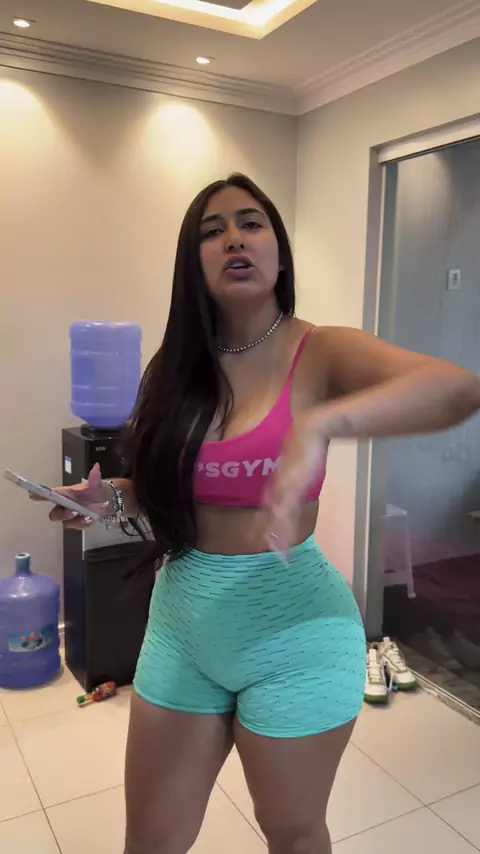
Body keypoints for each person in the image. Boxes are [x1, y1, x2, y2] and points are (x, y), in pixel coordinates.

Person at [41, 174, 480, 854]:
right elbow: (164, 490)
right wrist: (111, 498)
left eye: (251, 223)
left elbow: (456, 389)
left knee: (292, 835)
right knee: (149, 841)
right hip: (182, 629)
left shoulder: (320, 351)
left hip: (296, 635)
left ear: (278, 249)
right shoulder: (176, 371)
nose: (233, 239)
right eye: (212, 231)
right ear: (193, 263)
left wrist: (323, 422)